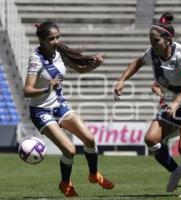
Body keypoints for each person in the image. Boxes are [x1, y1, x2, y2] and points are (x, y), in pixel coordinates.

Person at [114, 12, 181, 198]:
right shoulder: (153, 53)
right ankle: (175, 170)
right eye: (150, 40)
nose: (152, 44)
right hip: (173, 102)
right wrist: (121, 80)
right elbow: (137, 62)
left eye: (155, 40)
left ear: (168, 41)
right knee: (151, 139)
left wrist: (177, 101)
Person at [23, 21, 114, 197]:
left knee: (89, 139)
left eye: (57, 37)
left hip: (59, 106)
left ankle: (94, 175)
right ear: (41, 41)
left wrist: (93, 66)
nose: (56, 41)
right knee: (70, 150)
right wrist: (46, 89)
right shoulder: (36, 59)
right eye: (51, 39)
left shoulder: (59, 53)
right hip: (41, 111)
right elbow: (27, 90)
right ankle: (65, 183)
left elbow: (79, 69)